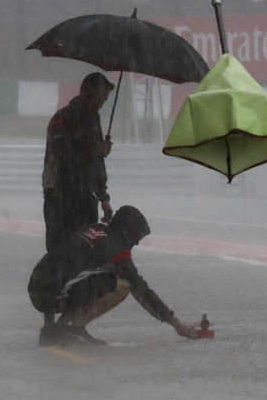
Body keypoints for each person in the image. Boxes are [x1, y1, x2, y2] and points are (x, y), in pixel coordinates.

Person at [28, 205, 199, 346]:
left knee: (80, 275)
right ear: (127, 232)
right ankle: (72, 330)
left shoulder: (93, 230)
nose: (137, 242)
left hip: (36, 287)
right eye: (137, 237)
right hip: (50, 295)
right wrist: (176, 323)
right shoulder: (116, 248)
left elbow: (59, 263)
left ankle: (52, 329)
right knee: (123, 285)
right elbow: (140, 288)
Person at [42, 72, 115, 252]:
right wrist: (95, 150)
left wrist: (103, 197)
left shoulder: (93, 120)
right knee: (60, 254)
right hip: (60, 197)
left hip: (86, 199)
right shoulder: (63, 118)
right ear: (88, 92)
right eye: (100, 98)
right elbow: (63, 158)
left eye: (104, 100)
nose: (101, 104)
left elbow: (96, 165)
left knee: (86, 252)